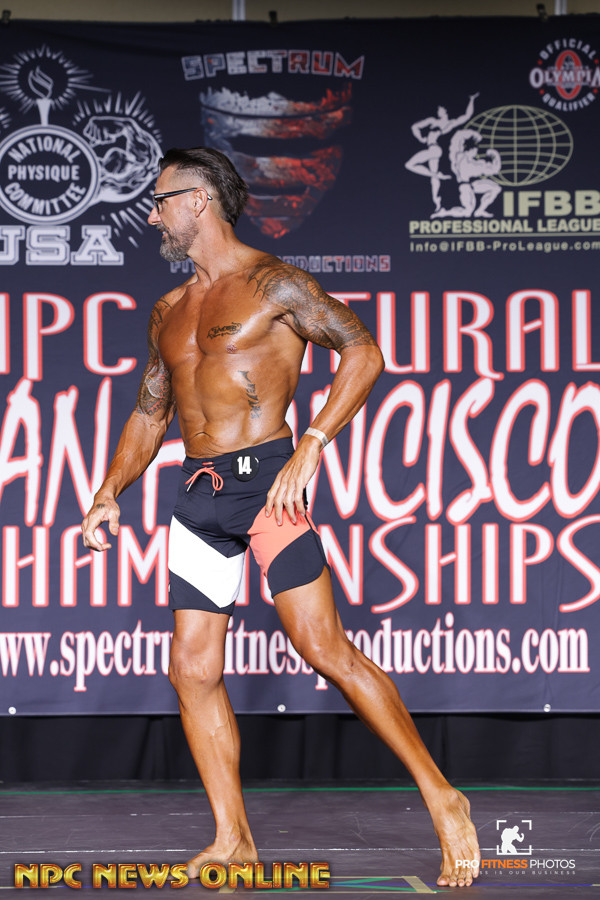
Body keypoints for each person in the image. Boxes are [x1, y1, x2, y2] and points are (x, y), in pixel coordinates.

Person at [81, 147, 480, 888]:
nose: (153, 215)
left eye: (161, 200)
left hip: (268, 489)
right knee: (191, 668)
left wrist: (313, 444)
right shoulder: (169, 310)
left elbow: (363, 353)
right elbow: (150, 411)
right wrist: (109, 491)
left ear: (198, 199)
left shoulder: (275, 283)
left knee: (322, 647)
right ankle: (233, 839)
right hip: (197, 498)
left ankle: (441, 794)